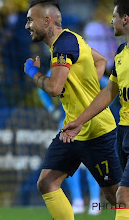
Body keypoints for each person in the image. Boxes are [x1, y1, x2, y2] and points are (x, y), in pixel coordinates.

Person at [24, 0, 122, 220]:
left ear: (47, 20)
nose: (27, 26)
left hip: (96, 131)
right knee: (47, 182)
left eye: (30, 20)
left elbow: (54, 88)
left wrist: (34, 73)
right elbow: (100, 61)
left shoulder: (63, 45)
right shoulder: (72, 39)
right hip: (71, 130)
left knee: (114, 195)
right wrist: (87, 89)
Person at [61, 0, 129, 219]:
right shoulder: (120, 53)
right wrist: (79, 121)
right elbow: (108, 92)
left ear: (125, 20)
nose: (111, 22)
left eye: (114, 17)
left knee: (123, 197)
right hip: (124, 129)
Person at [38, 69, 101, 215]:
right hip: (68, 121)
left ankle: (94, 201)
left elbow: (107, 85)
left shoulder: (86, 64)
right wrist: (52, 109)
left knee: (91, 160)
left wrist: (102, 107)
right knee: (69, 162)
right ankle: (79, 200)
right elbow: (42, 91)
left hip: (88, 120)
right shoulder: (58, 67)